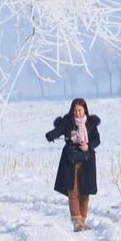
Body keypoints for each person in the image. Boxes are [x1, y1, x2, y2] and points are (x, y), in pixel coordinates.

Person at [45, 97, 101, 231]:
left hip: (87, 161)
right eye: (75, 110)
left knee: (85, 192)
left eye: (80, 110)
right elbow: (56, 132)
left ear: (85, 110)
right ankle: (77, 222)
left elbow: (97, 140)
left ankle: (82, 220)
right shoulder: (67, 123)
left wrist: (88, 146)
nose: (77, 113)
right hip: (70, 161)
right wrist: (50, 135)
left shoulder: (91, 124)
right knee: (73, 191)